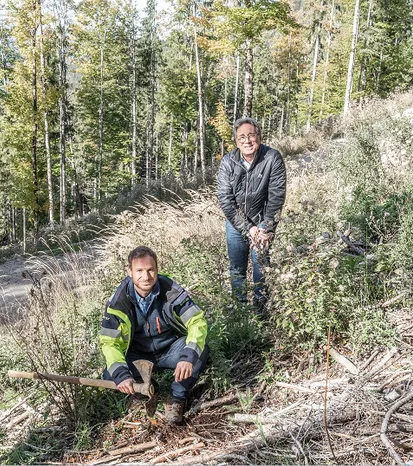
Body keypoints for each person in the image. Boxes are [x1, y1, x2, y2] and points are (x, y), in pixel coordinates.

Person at [99, 246, 209, 425]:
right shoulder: (117, 302)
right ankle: (145, 389)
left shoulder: (171, 290)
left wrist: (188, 356)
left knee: (200, 350)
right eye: (139, 271)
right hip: (137, 356)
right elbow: (109, 343)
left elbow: (197, 321)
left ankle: (176, 397)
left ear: (157, 269)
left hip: (171, 349)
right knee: (111, 374)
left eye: (150, 270)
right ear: (130, 272)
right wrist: (121, 373)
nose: (146, 276)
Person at [217, 117, 287, 309]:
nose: (247, 141)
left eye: (251, 135)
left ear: (259, 136)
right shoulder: (228, 162)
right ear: (236, 141)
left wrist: (265, 228)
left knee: (261, 266)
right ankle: (240, 312)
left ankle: (260, 311)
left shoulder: (272, 158)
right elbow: (225, 200)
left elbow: (276, 196)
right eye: (242, 137)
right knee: (237, 269)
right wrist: (248, 228)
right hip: (236, 223)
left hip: (264, 222)